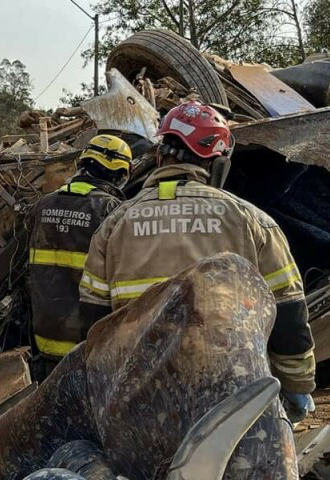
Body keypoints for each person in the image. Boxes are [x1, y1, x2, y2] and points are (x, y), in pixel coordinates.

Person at [79, 101, 316, 422]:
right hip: (231, 399)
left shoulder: (114, 225)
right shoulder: (251, 221)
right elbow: (289, 313)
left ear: (160, 157)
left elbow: (94, 325)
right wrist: (296, 386)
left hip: (139, 401)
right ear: (219, 165)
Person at [27, 134, 132, 380]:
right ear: (118, 173)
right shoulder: (111, 210)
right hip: (85, 345)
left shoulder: (42, 205)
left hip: (43, 340)